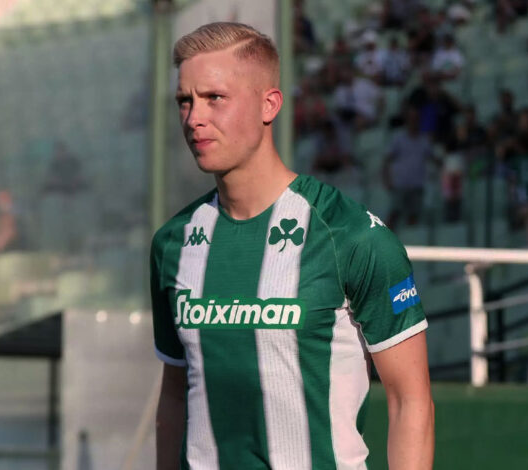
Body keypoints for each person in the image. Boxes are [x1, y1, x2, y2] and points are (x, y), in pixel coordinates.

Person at [151, 22, 434, 470]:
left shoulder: (352, 236)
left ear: (269, 104)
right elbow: (174, 394)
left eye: (215, 98)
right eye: (185, 100)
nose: (194, 118)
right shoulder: (173, 242)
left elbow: (410, 401)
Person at [383, 107, 434, 229]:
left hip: (417, 185)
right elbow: (387, 160)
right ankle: (384, 238)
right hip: (400, 184)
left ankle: (410, 239)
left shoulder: (424, 139)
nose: (413, 121)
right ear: (407, 120)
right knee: (394, 213)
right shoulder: (398, 138)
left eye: (416, 119)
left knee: (413, 216)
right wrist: (387, 180)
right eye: (411, 118)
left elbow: (433, 158)